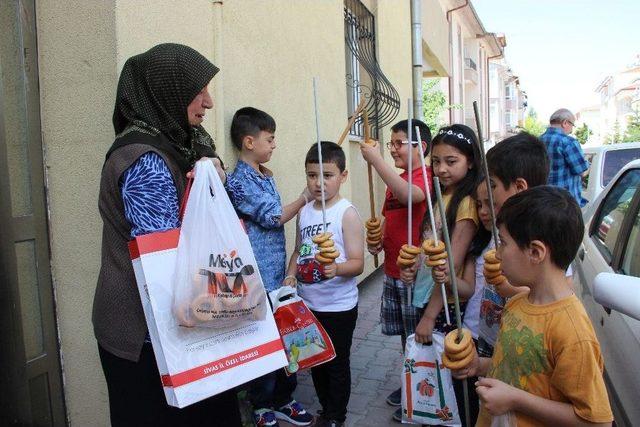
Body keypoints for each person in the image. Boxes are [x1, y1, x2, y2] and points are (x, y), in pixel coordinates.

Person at [93, 43, 241, 426]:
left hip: (178, 326)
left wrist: (216, 173)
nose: (208, 102)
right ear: (167, 90)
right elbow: (168, 258)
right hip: (147, 339)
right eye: (199, 90)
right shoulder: (146, 161)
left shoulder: (186, 145)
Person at [452, 186, 613, 426]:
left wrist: (516, 400)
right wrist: (479, 365)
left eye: (503, 244)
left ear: (536, 252)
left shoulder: (572, 332)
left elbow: (595, 421)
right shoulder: (517, 303)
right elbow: (519, 368)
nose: (497, 255)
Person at [225, 107, 313, 427]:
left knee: (285, 338)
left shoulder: (264, 174)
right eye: (270, 138)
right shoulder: (239, 182)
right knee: (263, 341)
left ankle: (284, 398)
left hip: (278, 275)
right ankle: (261, 405)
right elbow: (274, 216)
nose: (274, 144)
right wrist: (303, 198)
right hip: (257, 278)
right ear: (249, 142)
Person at [400, 124, 481, 425]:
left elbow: (451, 266)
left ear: (470, 161)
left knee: (448, 382)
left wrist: (430, 315)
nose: (442, 169)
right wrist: (412, 270)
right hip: (425, 295)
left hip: (444, 307)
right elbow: (428, 251)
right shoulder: (439, 195)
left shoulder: (467, 204)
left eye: (451, 161)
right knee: (430, 376)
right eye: (436, 161)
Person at [285, 141, 365, 427]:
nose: (319, 183)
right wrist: (290, 275)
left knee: (336, 365)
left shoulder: (347, 213)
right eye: (312, 175)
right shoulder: (305, 211)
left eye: (327, 175)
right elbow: (298, 250)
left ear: (343, 176)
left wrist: (336, 269)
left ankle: (335, 416)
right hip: (308, 304)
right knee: (315, 361)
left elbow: (359, 263)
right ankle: (325, 408)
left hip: (339, 306)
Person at [359, 119, 431, 415]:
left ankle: (422, 395)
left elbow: (410, 196)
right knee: (405, 337)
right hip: (392, 271)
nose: (392, 149)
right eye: (391, 144)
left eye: (399, 143)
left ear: (421, 147)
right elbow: (390, 218)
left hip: (415, 275)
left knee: (420, 337)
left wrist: (375, 160)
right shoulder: (397, 180)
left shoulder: (424, 175)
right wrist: (378, 242)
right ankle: (410, 380)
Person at [476, 131, 550, 357]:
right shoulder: (499, 230)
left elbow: (558, 296)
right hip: (490, 336)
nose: (488, 191)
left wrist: (509, 289)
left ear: (519, 187)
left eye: (493, 185)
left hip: (519, 345)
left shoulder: (545, 237)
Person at [539, 108, 589, 206]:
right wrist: (587, 162)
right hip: (565, 204)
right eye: (572, 125)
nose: (572, 129)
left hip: (543, 201)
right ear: (565, 123)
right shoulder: (568, 142)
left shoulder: (537, 141)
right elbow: (582, 172)